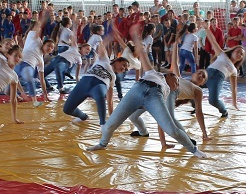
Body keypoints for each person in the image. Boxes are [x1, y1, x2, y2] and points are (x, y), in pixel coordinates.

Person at [86, 25, 204, 158]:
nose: (177, 85)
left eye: (177, 85)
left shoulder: (166, 93)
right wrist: (135, 35)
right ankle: (102, 144)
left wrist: (163, 142)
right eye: (177, 81)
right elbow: (142, 54)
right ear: (169, 76)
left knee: (172, 130)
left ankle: (194, 150)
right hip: (138, 90)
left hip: (154, 96)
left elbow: (162, 122)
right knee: (110, 125)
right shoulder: (153, 73)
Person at [128, 43, 209, 146]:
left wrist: (204, 133)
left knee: (168, 116)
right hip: (155, 88)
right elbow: (174, 62)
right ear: (193, 74)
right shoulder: (178, 78)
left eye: (203, 76)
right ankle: (143, 132)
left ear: (202, 83)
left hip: (167, 91)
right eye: (199, 72)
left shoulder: (198, 90)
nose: (200, 75)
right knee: (133, 116)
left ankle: (187, 139)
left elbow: (199, 113)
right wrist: (175, 45)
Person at [63, 33, 129, 126]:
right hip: (84, 83)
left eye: (126, 69)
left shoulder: (113, 77)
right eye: (124, 65)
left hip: (98, 86)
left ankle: (103, 124)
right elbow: (102, 47)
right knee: (67, 109)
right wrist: (107, 38)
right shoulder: (105, 60)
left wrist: (111, 117)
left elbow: (109, 100)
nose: (124, 69)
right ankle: (83, 116)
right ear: (117, 61)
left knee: (100, 95)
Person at [201, 25, 245, 118]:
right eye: (238, 51)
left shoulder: (234, 70)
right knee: (191, 86)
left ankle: (224, 112)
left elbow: (234, 88)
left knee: (213, 101)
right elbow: (213, 41)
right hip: (206, 74)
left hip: (217, 79)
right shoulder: (222, 54)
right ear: (232, 51)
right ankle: (195, 106)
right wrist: (206, 29)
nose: (239, 54)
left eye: (241, 54)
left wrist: (234, 104)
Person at [15, 16, 55, 107]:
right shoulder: (35, 41)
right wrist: (43, 15)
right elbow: (37, 27)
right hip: (18, 63)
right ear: (43, 44)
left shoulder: (41, 61)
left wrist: (45, 95)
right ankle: (19, 96)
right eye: (48, 45)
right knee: (7, 88)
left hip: (27, 67)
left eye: (52, 48)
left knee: (29, 76)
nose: (49, 48)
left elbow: (42, 80)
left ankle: (34, 101)